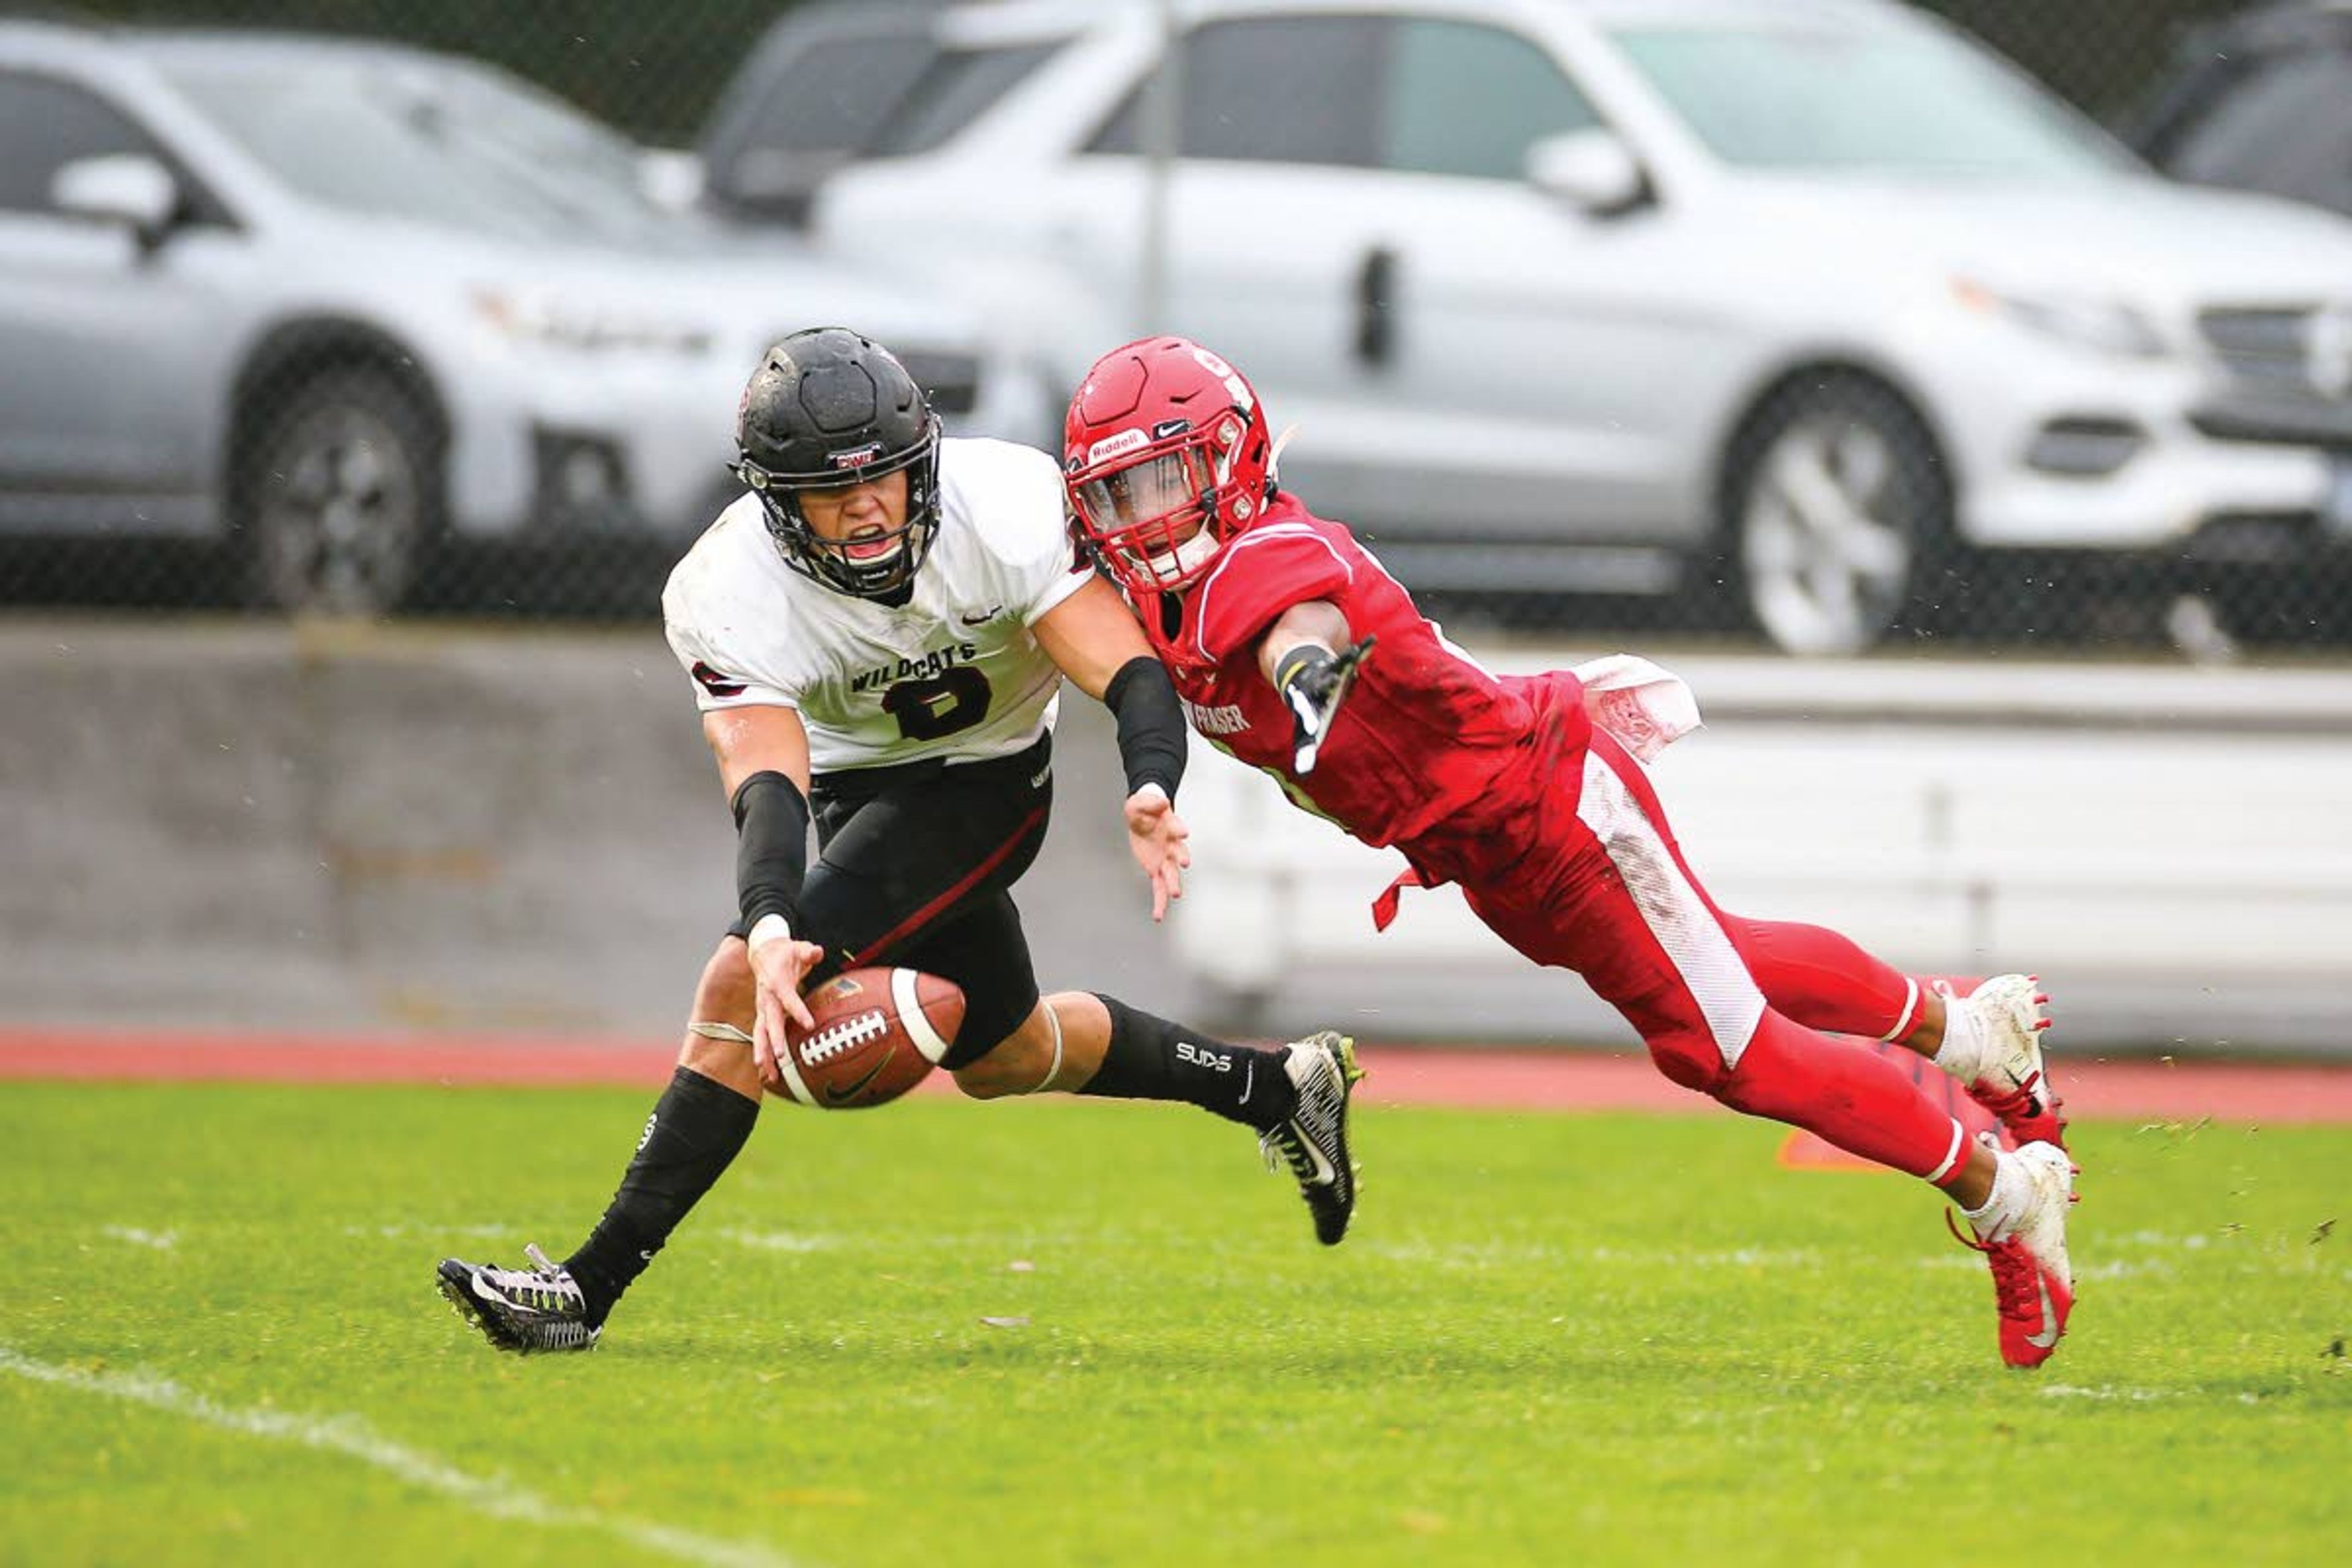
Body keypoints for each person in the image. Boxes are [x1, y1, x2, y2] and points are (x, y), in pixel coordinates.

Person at [1060, 336, 2078, 1370]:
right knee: (1720, 956)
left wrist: (1308, 678)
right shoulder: (1150, 596)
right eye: (1118, 495)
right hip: (1483, 846)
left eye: (1163, 480)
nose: (1143, 516)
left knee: (1724, 1051)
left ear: (1232, 457)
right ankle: (1970, 1031)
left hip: (1550, 804)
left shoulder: (1266, 555)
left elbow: (1295, 622)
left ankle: (2004, 1195)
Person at [437, 328, 1363, 1355]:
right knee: (1005, 1054)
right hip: (848, 792)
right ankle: (1278, 1086)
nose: (868, 504)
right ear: (778, 505)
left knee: (734, 989)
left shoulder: (1002, 506)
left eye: (885, 476)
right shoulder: (727, 586)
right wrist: (775, 913)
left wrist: (1151, 782)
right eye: (834, 493)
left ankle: (582, 1292)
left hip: (987, 784)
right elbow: (767, 781)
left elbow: (1126, 668)